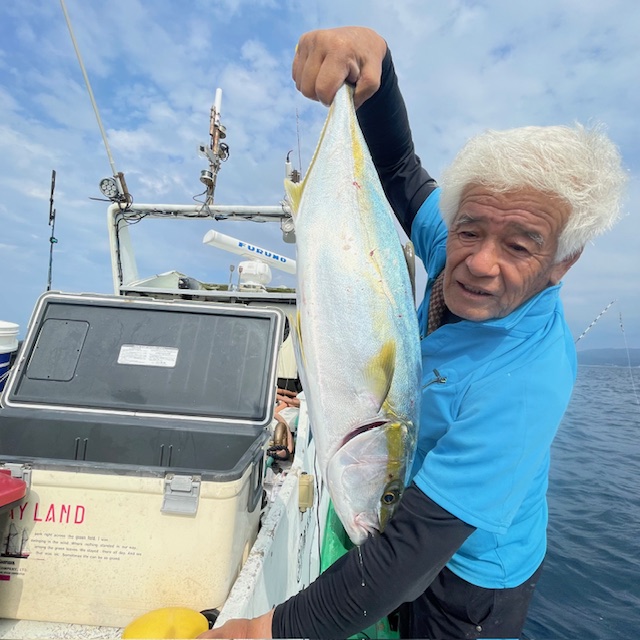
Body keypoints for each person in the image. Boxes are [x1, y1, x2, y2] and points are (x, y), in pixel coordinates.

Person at [200, 26, 627, 639]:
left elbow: (410, 551)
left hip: (474, 584)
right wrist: (375, 61)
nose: (479, 263)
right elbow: (400, 170)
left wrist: (262, 631)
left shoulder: (525, 383)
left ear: (563, 262)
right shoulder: (456, 245)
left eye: (520, 246)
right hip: (407, 505)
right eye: (469, 231)